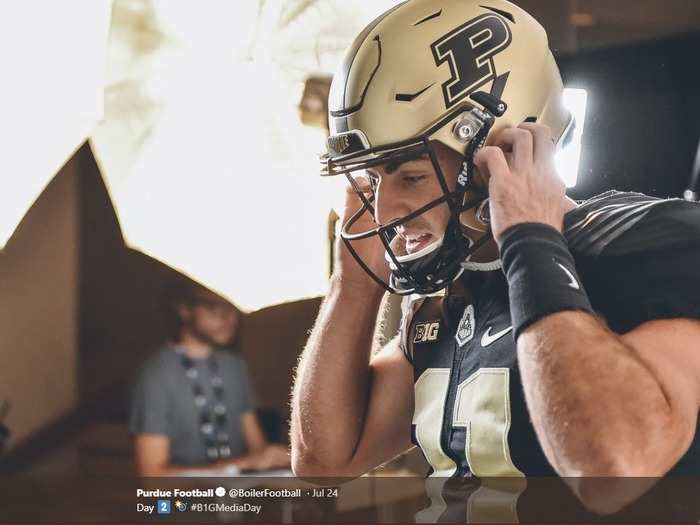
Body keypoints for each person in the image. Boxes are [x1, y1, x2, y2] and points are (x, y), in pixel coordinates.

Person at [290, 0, 700, 514]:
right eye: (372, 180)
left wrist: (529, 238)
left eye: (411, 176)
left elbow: (611, 470)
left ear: (504, 146)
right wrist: (350, 285)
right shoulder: (449, 299)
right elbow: (323, 461)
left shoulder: (645, 243)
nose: (383, 209)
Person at [130, 280, 289, 476]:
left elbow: (257, 448)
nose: (229, 319)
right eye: (215, 307)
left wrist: (273, 458)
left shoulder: (234, 365)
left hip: (235, 500)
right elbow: (153, 478)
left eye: (232, 308)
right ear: (184, 309)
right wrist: (239, 465)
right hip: (182, 504)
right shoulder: (156, 373)